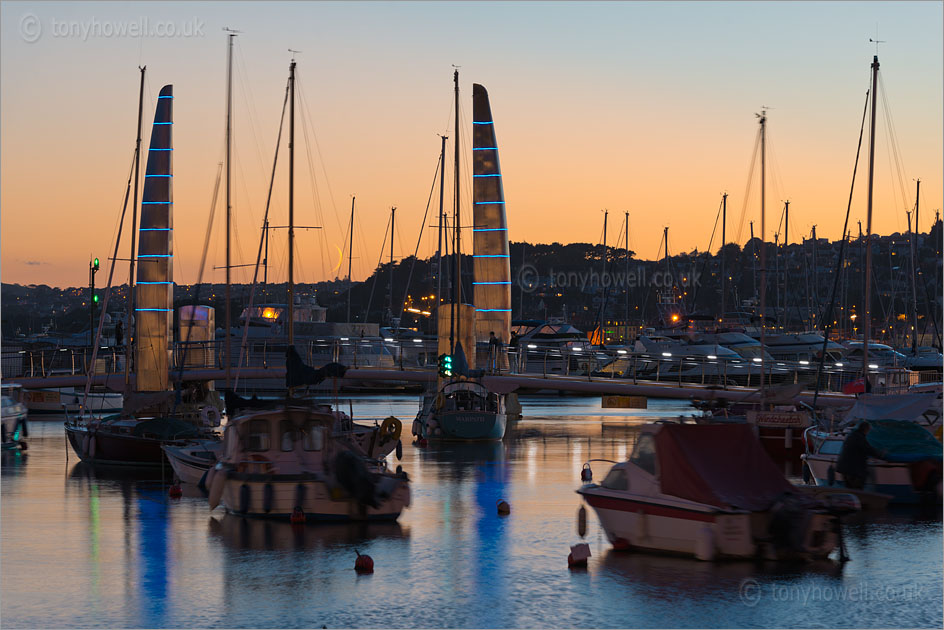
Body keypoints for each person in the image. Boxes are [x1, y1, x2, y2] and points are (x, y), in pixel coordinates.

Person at [836, 421, 885, 490]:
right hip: (853, 470)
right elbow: (869, 449)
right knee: (857, 489)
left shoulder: (852, 435)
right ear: (866, 430)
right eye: (869, 430)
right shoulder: (859, 438)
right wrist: (881, 455)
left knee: (850, 489)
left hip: (844, 468)